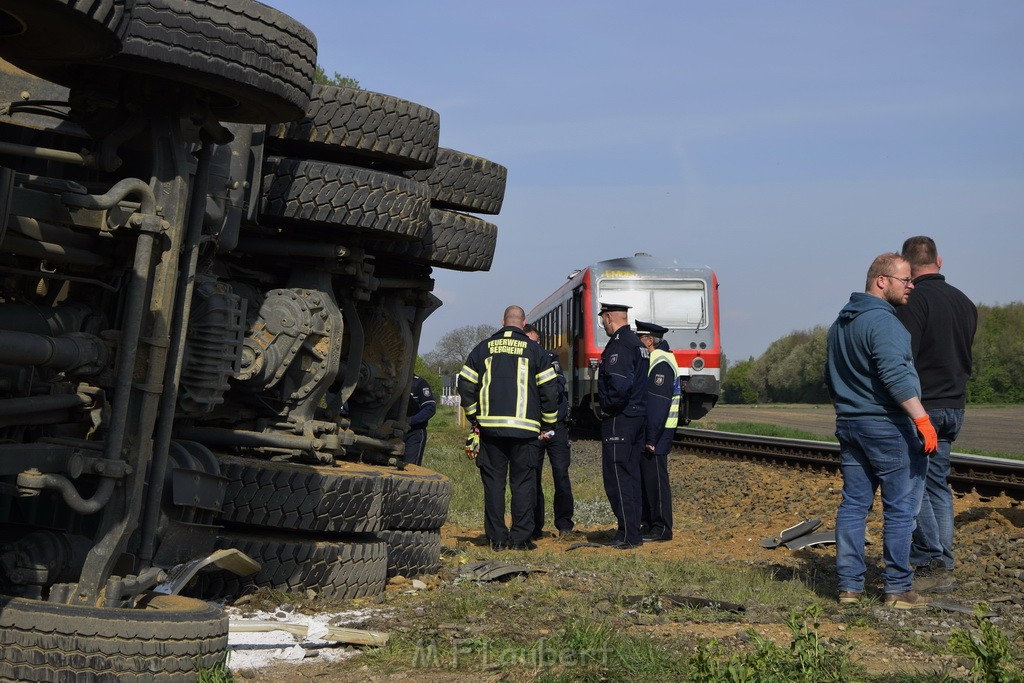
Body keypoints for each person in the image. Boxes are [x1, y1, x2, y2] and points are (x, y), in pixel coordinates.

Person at [825, 253, 939, 609]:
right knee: (901, 509)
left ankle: (849, 587)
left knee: (854, 505)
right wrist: (922, 420)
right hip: (887, 426)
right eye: (905, 280)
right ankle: (898, 589)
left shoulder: (839, 325)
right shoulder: (885, 324)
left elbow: (830, 378)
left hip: (850, 425)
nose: (911, 286)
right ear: (881, 281)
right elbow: (895, 376)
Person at [896, 236, 978, 594]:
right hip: (956, 405)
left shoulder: (914, 302)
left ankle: (932, 560)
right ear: (938, 261)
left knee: (917, 484)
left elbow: (904, 357)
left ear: (907, 265)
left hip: (924, 407)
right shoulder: (965, 302)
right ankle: (943, 559)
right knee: (938, 485)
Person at [457, 305, 560, 551]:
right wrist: (548, 423)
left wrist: (474, 417)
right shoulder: (536, 351)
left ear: (503, 321)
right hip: (525, 432)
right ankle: (520, 539)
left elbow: (465, 384)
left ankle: (497, 538)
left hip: (491, 430)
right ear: (524, 324)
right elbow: (549, 390)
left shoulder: (483, 348)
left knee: (494, 484)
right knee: (523, 484)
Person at [596, 302, 649, 549]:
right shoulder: (638, 344)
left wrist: (606, 406)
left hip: (621, 418)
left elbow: (619, 386)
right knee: (631, 476)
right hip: (637, 416)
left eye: (602, 320)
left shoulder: (619, 345)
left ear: (608, 318)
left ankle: (628, 534)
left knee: (617, 477)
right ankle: (630, 530)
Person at [523, 323, 575, 538]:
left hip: (556, 426)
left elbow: (557, 386)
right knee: (532, 477)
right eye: (529, 342)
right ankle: (535, 526)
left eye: (535, 342)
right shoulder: (520, 362)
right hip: (532, 428)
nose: (534, 346)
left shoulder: (549, 358)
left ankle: (564, 525)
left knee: (561, 475)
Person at [635, 321, 679, 542]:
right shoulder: (656, 359)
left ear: (650, 341)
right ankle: (649, 524)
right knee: (647, 480)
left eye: (640, 337)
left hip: (658, 434)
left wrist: (651, 437)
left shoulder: (660, 363)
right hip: (653, 433)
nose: (637, 341)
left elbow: (658, 404)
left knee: (656, 483)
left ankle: (662, 528)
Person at [402, 374, 436, 466]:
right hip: (388, 431)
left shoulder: (419, 383)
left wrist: (411, 420)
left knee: (410, 468)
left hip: (413, 432)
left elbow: (430, 408)